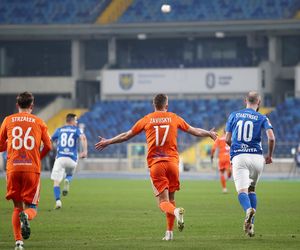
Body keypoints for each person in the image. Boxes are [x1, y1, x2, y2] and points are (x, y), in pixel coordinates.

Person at [95, 94, 217, 241]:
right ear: (166, 105)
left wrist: (108, 141)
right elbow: (194, 130)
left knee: (163, 202)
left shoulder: (147, 119)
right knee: (171, 198)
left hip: (156, 164)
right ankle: (169, 233)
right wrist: (209, 133)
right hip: (173, 164)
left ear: (154, 105)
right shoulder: (174, 117)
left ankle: (176, 212)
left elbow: (126, 135)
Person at [0, 91, 52, 250]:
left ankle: (18, 243)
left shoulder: (8, 120)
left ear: (17, 105)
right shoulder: (39, 122)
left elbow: (0, 145)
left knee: (17, 207)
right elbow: (49, 146)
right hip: (32, 169)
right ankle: (27, 216)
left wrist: (8, 148)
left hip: (13, 169)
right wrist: (38, 157)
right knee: (32, 207)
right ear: (32, 105)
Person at [225, 91, 275, 237]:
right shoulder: (262, 117)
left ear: (245, 100)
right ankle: (251, 226)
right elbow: (271, 138)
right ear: (259, 103)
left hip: (240, 157)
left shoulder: (234, 115)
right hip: (257, 158)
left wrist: (236, 146)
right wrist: (270, 155)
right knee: (252, 190)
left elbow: (227, 139)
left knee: (242, 192)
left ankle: (248, 210)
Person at [50, 113, 88, 209]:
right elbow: (83, 138)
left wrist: (46, 149)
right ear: (71, 121)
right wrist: (84, 151)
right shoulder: (76, 130)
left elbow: (49, 140)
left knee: (56, 181)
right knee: (70, 174)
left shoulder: (59, 130)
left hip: (60, 158)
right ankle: (67, 180)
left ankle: (58, 201)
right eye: (75, 120)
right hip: (72, 159)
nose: (76, 122)